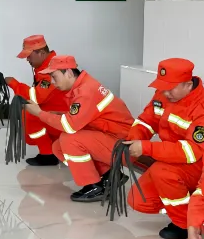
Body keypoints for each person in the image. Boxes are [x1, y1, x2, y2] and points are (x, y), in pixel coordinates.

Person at [124, 58, 204, 239]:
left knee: (162, 172)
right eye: (162, 87)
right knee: (138, 200)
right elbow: (146, 121)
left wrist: (146, 148)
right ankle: (196, 206)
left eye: (170, 88)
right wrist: (135, 138)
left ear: (188, 85)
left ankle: (185, 224)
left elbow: (190, 152)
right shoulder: (164, 94)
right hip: (176, 159)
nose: (165, 93)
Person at [25, 55, 133, 202]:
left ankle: (93, 186)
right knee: (58, 147)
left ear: (69, 73)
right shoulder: (82, 86)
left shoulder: (85, 91)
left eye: (54, 77)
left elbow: (70, 126)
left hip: (124, 146)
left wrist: (39, 113)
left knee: (68, 139)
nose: (52, 82)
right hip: (111, 138)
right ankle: (110, 175)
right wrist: (58, 114)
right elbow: (84, 116)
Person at [5, 35, 70, 167]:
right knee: (29, 121)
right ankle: (55, 147)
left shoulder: (51, 70)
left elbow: (37, 96)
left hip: (64, 116)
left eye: (29, 56)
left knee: (29, 114)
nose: (27, 59)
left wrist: (14, 84)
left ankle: (47, 154)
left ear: (41, 53)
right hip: (59, 112)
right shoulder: (46, 66)